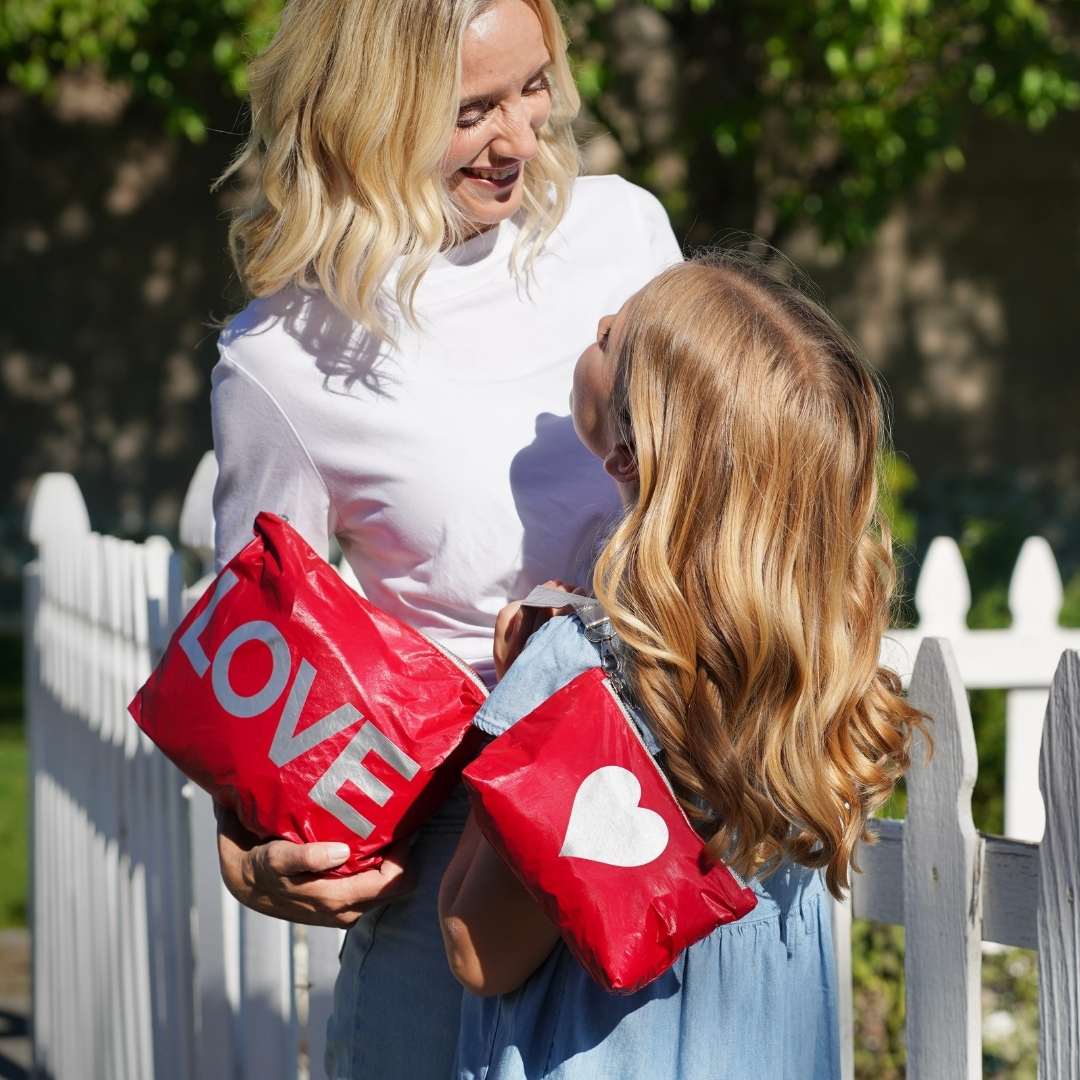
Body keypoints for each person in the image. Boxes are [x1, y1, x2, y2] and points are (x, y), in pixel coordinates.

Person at [208, 0, 682, 1076]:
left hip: (677, 815)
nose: (520, 138)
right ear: (368, 110)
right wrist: (246, 851)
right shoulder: (281, 358)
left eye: (532, 88)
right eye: (472, 110)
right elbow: (254, 654)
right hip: (462, 872)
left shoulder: (625, 234)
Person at [438, 254, 929, 1079]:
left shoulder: (583, 670)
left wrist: (529, 704)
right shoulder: (826, 670)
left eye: (610, 336)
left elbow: (476, 946)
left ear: (628, 455)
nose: (591, 331)